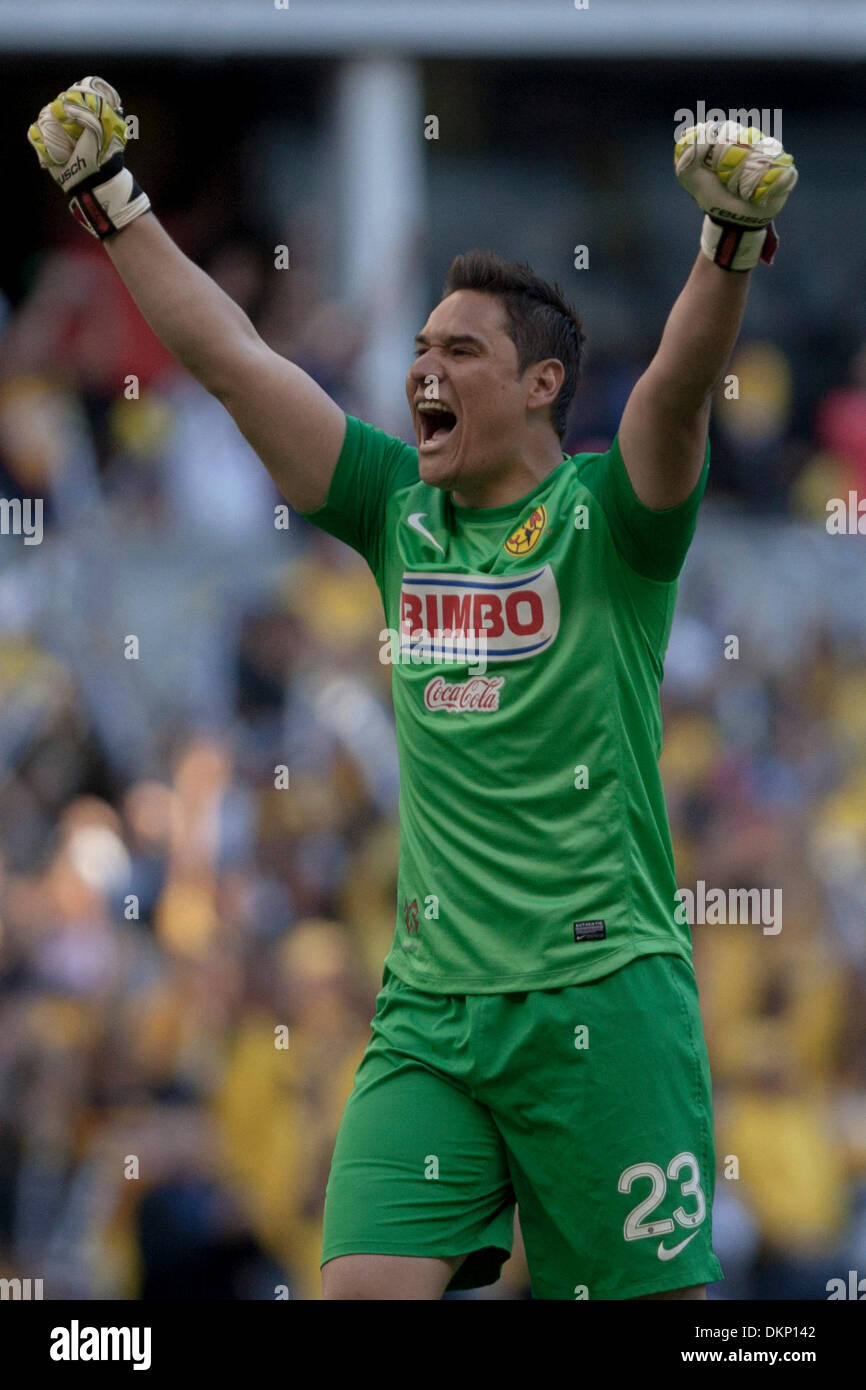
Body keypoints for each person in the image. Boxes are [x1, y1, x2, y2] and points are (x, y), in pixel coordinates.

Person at [27, 78, 798, 1300]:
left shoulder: (607, 521)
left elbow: (670, 393)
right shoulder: (395, 505)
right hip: (432, 1015)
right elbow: (232, 360)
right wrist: (113, 203)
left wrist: (727, 247)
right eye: (418, 348)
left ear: (541, 386)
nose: (419, 370)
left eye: (457, 351)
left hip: (600, 1004)